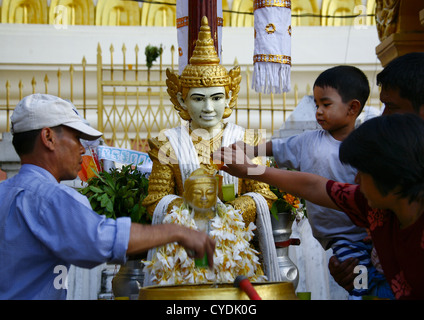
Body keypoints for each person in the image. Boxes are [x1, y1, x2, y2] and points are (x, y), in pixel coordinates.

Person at [0, 93, 215, 300]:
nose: (83, 150)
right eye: (77, 138)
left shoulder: (5, 192)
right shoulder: (49, 198)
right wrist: (175, 231)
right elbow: (101, 240)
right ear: (48, 138)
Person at [214, 113, 424, 300]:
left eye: (363, 172)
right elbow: (315, 186)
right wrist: (250, 170)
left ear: (390, 173)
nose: (356, 180)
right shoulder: (374, 205)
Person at [142, 17, 280, 282]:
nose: (208, 108)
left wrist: (228, 214)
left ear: (230, 97)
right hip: (184, 252)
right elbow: (155, 201)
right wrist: (194, 213)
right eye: (198, 98)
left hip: (237, 248)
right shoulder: (167, 143)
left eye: (217, 98)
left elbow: (263, 195)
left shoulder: (246, 140)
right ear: (181, 99)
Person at [236, 65, 378, 299]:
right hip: (337, 239)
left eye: (326, 104)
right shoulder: (309, 141)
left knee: (361, 285)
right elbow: (279, 147)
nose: (319, 111)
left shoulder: (366, 149)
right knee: (359, 281)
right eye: (316, 105)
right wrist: (251, 150)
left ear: (353, 108)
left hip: (356, 235)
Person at [328, 52, 424, 294]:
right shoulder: (378, 199)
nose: (356, 180)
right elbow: (317, 188)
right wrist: (356, 281)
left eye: (391, 106)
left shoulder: (390, 175)